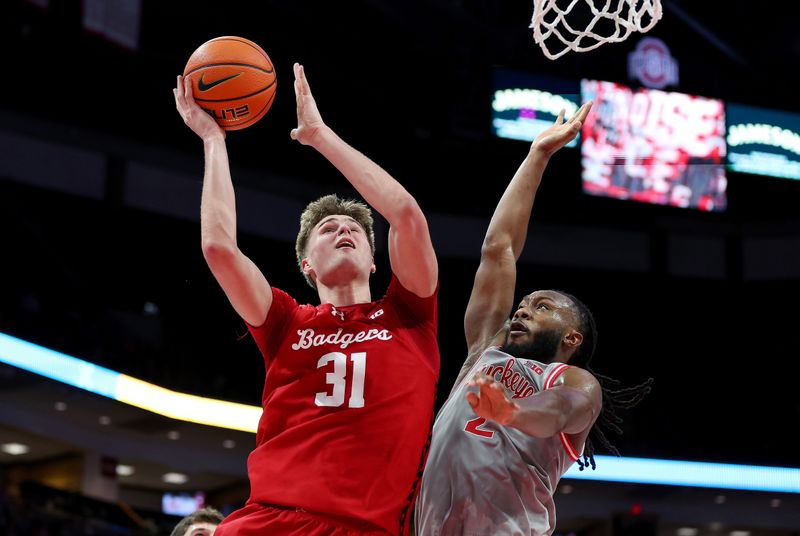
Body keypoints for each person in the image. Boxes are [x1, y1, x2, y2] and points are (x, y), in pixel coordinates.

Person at [174, 62, 439, 536]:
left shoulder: (410, 315)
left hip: (366, 528)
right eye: (328, 228)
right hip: (268, 520)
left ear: (376, 262)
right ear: (306, 266)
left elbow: (405, 214)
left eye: (355, 228)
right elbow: (218, 248)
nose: (343, 229)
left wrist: (320, 137)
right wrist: (213, 141)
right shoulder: (285, 320)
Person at [415, 102, 652, 535]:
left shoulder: (574, 382)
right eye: (524, 303)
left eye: (542, 307)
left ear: (572, 338)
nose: (522, 308)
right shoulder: (483, 351)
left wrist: (512, 411)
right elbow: (498, 247)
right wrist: (537, 156)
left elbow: (561, 411)